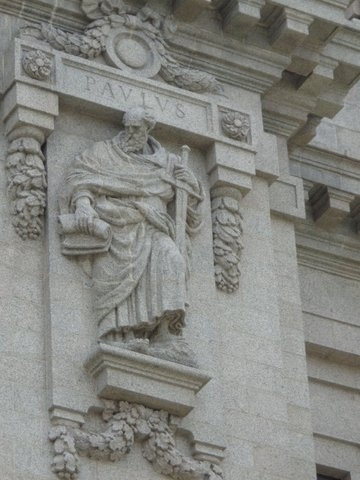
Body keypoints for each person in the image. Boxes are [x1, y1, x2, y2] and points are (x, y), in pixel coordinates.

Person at [60, 106, 203, 363]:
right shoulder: (103, 153)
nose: (129, 133)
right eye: (127, 127)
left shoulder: (169, 162)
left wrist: (189, 184)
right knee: (120, 273)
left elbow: (188, 208)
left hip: (153, 225)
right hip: (116, 226)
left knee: (173, 260)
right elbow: (80, 178)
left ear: (147, 130)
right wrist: (82, 203)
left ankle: (165, 336)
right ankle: (119, 337)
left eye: (135, 128)